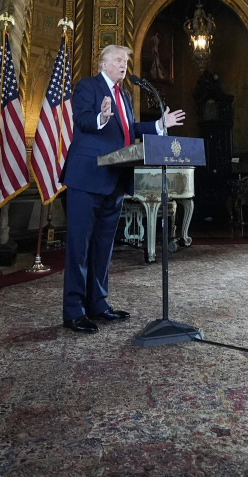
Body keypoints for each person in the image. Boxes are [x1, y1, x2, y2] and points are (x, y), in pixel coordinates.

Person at [61, 45, 186, 333]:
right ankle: (74, 311)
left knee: (104, 246)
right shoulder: (88, 87)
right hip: (87, 177)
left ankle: (98, 303)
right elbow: (81, 120)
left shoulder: (125, 96)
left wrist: (159, 124)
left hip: (116, 179)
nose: (124, 65)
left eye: (126, 61)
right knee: (80, 247)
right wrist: (101, 118)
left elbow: (129, 131)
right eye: (118, 60)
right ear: (103, 64)